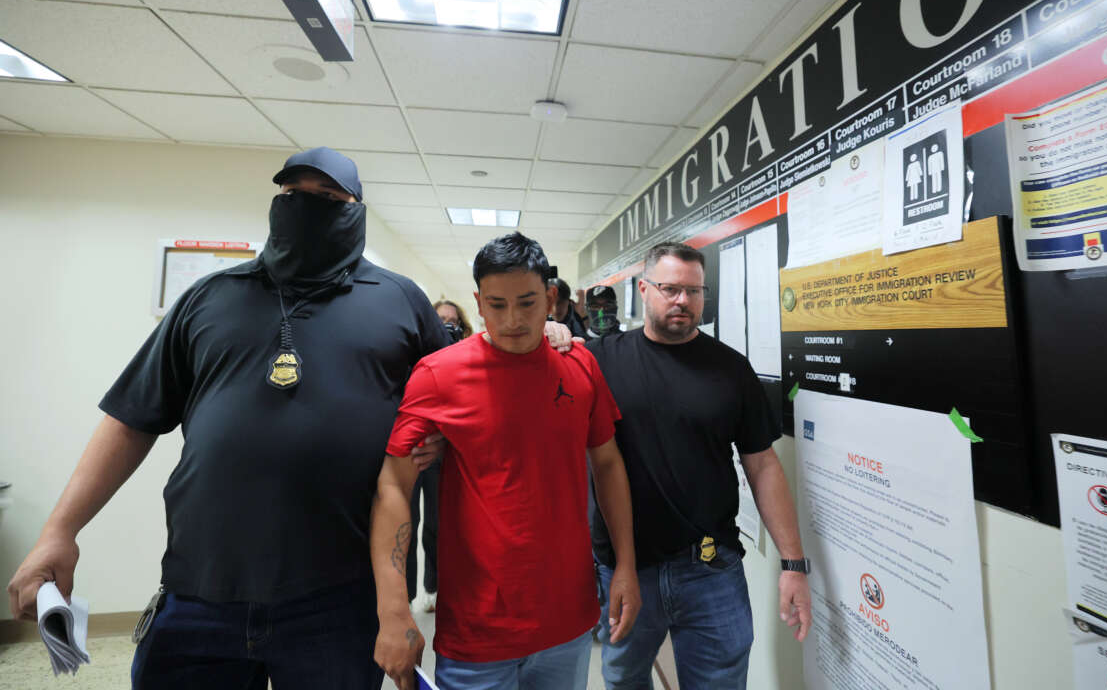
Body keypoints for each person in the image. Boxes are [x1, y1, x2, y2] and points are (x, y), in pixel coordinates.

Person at [4, 148, 574, 689]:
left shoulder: (399, 301)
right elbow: (131, 419)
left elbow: (471, 393)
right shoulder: (210, 298)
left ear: (356, 212)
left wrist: (540, 338)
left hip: (336, 595)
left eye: (327, 196)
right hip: (202, 590)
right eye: (293, 192)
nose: (306, 203)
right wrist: (60, 531)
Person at [370, 232, 642, 690]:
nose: (512, 319)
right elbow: (393, 485)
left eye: (527, 303)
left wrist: (626, 567)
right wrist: (394, 611)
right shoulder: (440, 374)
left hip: (567, 621)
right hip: (478, 633)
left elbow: (609, 464)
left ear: (551, 299)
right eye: (496, 305)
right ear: (478, 301)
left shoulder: (579, 365)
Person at [586, 241, 813, 690]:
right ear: (645, 289)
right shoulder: (601, 361)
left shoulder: (731, 369)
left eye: (693, 291)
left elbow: (763, 466)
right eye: (670, 289)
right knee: (624, 679)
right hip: (627, 567)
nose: (682, 301)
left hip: (711, 568)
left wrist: (793, 563)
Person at [404, 299, 473, 613]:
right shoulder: (409, 355)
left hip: (447, 450)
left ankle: (435, 586)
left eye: (453, 320)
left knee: (438, 522)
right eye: (440, 319)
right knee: (406, 520)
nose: (447, 325)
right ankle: (404, 594)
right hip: (410, 450)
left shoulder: (468, 359)